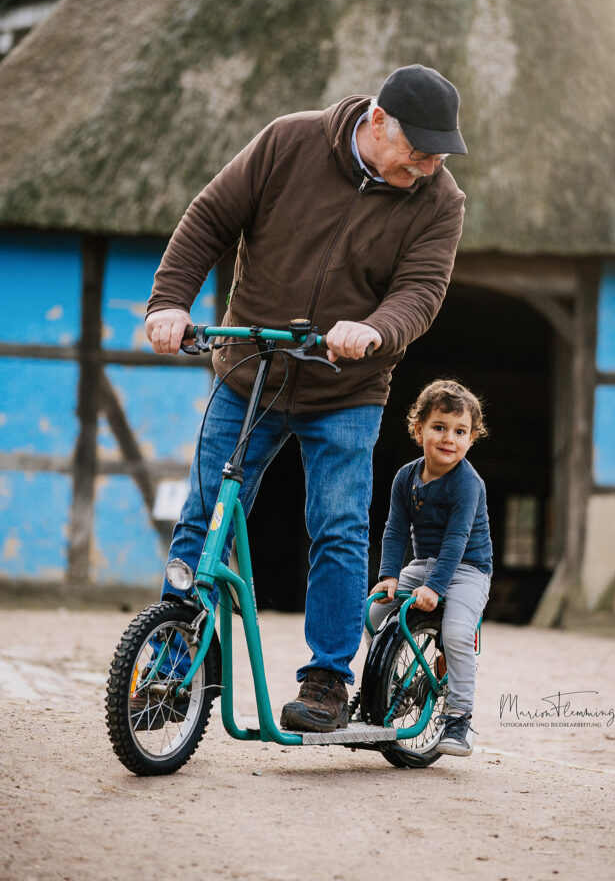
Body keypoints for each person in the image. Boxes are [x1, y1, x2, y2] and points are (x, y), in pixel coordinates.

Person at [145, 64, 469, 733]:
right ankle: (171, 667)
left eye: (441, 152)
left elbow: (422, 291)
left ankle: (325, 681)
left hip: (347, 387)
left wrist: (375, 330)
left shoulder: (440, 200)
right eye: (419, 149)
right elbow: (209, 219)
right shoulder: (286, 143)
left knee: (338, 526)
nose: (430, 164)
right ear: (377, 121)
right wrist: (170, 303)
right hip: (248, 372)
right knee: (205, 513)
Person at [369, 379, 492, 756]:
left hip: (468, 569)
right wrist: (388, 575)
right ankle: (386, 684)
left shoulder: (467, 483)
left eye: (460, 431)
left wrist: (435, 588)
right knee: (375, 613)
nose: (448, 438)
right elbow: (394, 530)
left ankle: (459, 718)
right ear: (418, 428)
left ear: (472, 438)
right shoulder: (406, 477)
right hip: (424, 564)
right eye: (439, 427)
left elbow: (456, 541)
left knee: (456, 633)